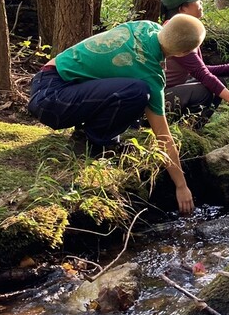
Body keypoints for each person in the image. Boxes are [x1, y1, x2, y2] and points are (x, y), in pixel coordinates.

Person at [27, 14, 207, 215]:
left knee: (133, 89)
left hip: (47, 82)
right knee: (138, 92)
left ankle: (98, 137)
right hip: (52, 99)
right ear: (183, 54)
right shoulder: (150, 75)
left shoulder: (145, 26)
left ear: (165, 25)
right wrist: (181, 186)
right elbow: (164, 138)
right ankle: (92, 142)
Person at [160, 0, 229, 125]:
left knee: (217, 83)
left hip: (165, 93)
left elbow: (197, 70)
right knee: (208, 89)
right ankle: (187, 130)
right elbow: (202, 73)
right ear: (182, 8)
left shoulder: (176, 27)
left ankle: (186, 128)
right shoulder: (177, 32)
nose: (200, 3)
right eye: (196, 0)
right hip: (157, 100)